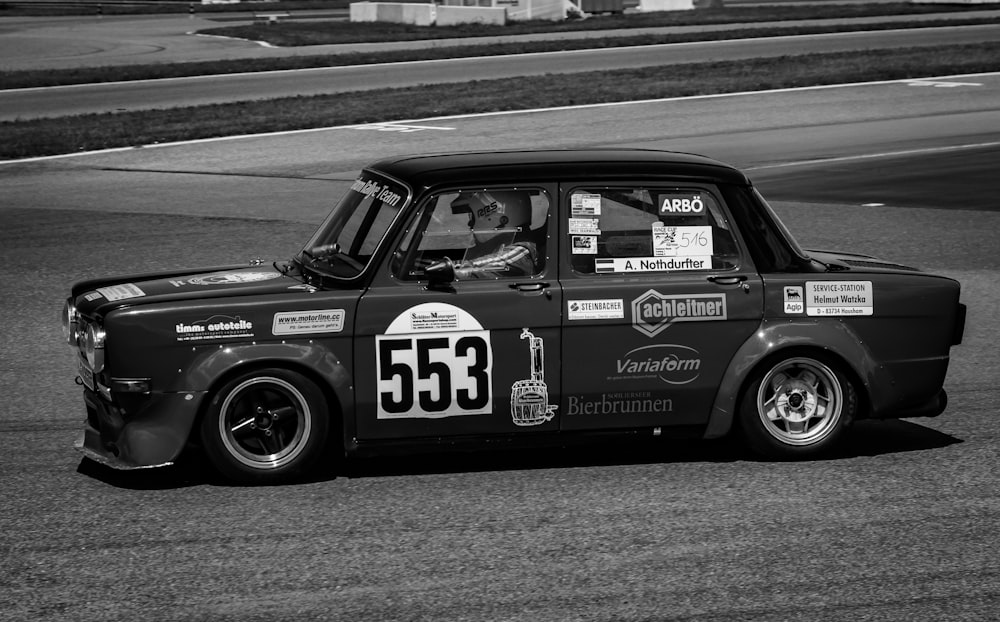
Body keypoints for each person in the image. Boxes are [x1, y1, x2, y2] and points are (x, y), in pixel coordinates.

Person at [431, 190, 540, 280]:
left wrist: (451, 268)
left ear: (491, 217)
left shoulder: (521, 251)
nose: (469, 224)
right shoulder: (496, 245)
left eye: (472, 217)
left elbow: (493, 263)